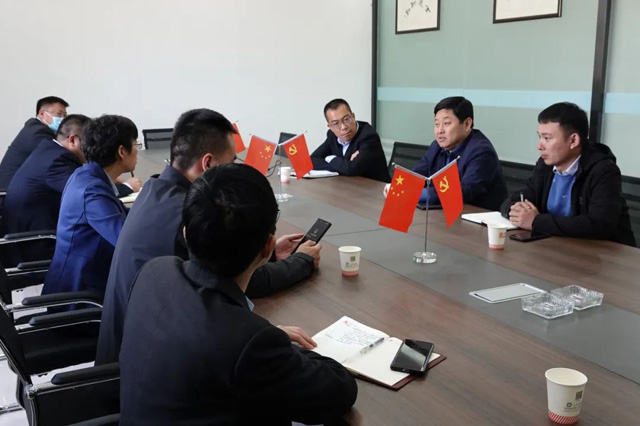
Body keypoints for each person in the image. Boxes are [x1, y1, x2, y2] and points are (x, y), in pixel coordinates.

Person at [119, 163, 357, 424]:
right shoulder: (248, 342)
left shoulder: (154, 271)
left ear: (186, 234)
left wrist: (258, 338)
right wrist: (274, 343)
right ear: (268, 247)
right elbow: (340, 390)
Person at [96, 108, 322, 364]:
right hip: (139, 363)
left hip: (134, 343)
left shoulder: (154, 188)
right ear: (208, 164)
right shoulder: (191, 215)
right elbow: (241, 280)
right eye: (232, 162)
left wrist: (267, 253)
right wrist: (301, 261)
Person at [501, 102, 636, 246]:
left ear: (573, 140)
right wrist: (514, 210)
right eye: (539, 137)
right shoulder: (545, 165)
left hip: (604, 253)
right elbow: (516, 198)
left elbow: (599, 224)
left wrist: (536, 221)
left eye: (547, 138)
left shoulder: (603, 171)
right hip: (556, 247)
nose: (539, 146)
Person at [42, 115, 140, 298]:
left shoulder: (88, 175)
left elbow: (121, 214)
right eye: (136, 145)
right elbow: (128, 241)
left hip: (89, 280)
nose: (137, 151)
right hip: (80, 296)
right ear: (121, 151)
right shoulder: (92, 190)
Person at [384, 97, 507, 210]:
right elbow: (419, 174)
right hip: (443, 215)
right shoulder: (437, 146)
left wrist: (417, 194)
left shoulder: (481, 152)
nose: (440, 130)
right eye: (437, 124)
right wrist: (400, 187)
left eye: (447, 123)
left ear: (467, 124)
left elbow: (463, 191)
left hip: (475, 220)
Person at [2, 115, 89, 263]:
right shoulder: (58, 161)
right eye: (90, 143)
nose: (92, 149)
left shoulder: (49, 151)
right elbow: (88, 192)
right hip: (35, 245)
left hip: (30, 238)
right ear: (73, 140)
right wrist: (125, 186)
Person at [311, 98, 390, 182]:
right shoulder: (332, 135)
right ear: (330, 127)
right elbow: (312, 160)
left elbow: (352, 169)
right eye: (336, 123)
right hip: (347, 185)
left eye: (346, 119)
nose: (343, 127)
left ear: (353, 116)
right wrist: (343, 165)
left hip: (376, 188)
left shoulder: (368, 136)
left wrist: (332, 159)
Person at [0, 96, 69, 190]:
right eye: (59, 114)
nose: (63, 119)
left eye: (65, 115)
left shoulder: (35, 128)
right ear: (42, 113)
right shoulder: (38, 132)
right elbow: (58, 157)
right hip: (7, 192)